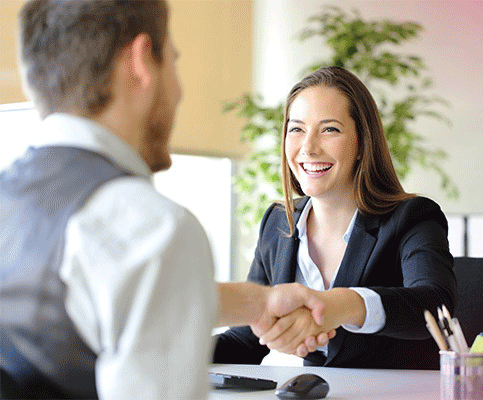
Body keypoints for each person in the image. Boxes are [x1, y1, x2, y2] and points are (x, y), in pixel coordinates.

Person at [0, 1, 332, 399]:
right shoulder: (154, 229)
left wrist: (257, 302)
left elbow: (93, 298)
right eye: (172, 62)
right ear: (141, 64)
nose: (179, 91)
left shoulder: (13, 200)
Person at [212, 66, 457, 369]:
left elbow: (435, 304)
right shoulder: (278, 222)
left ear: (361, 144)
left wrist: (338, 306)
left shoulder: (412, 218)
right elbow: (244, 341)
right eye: (296, 129)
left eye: (329, 129)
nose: (308, 147)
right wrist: (169, 348)